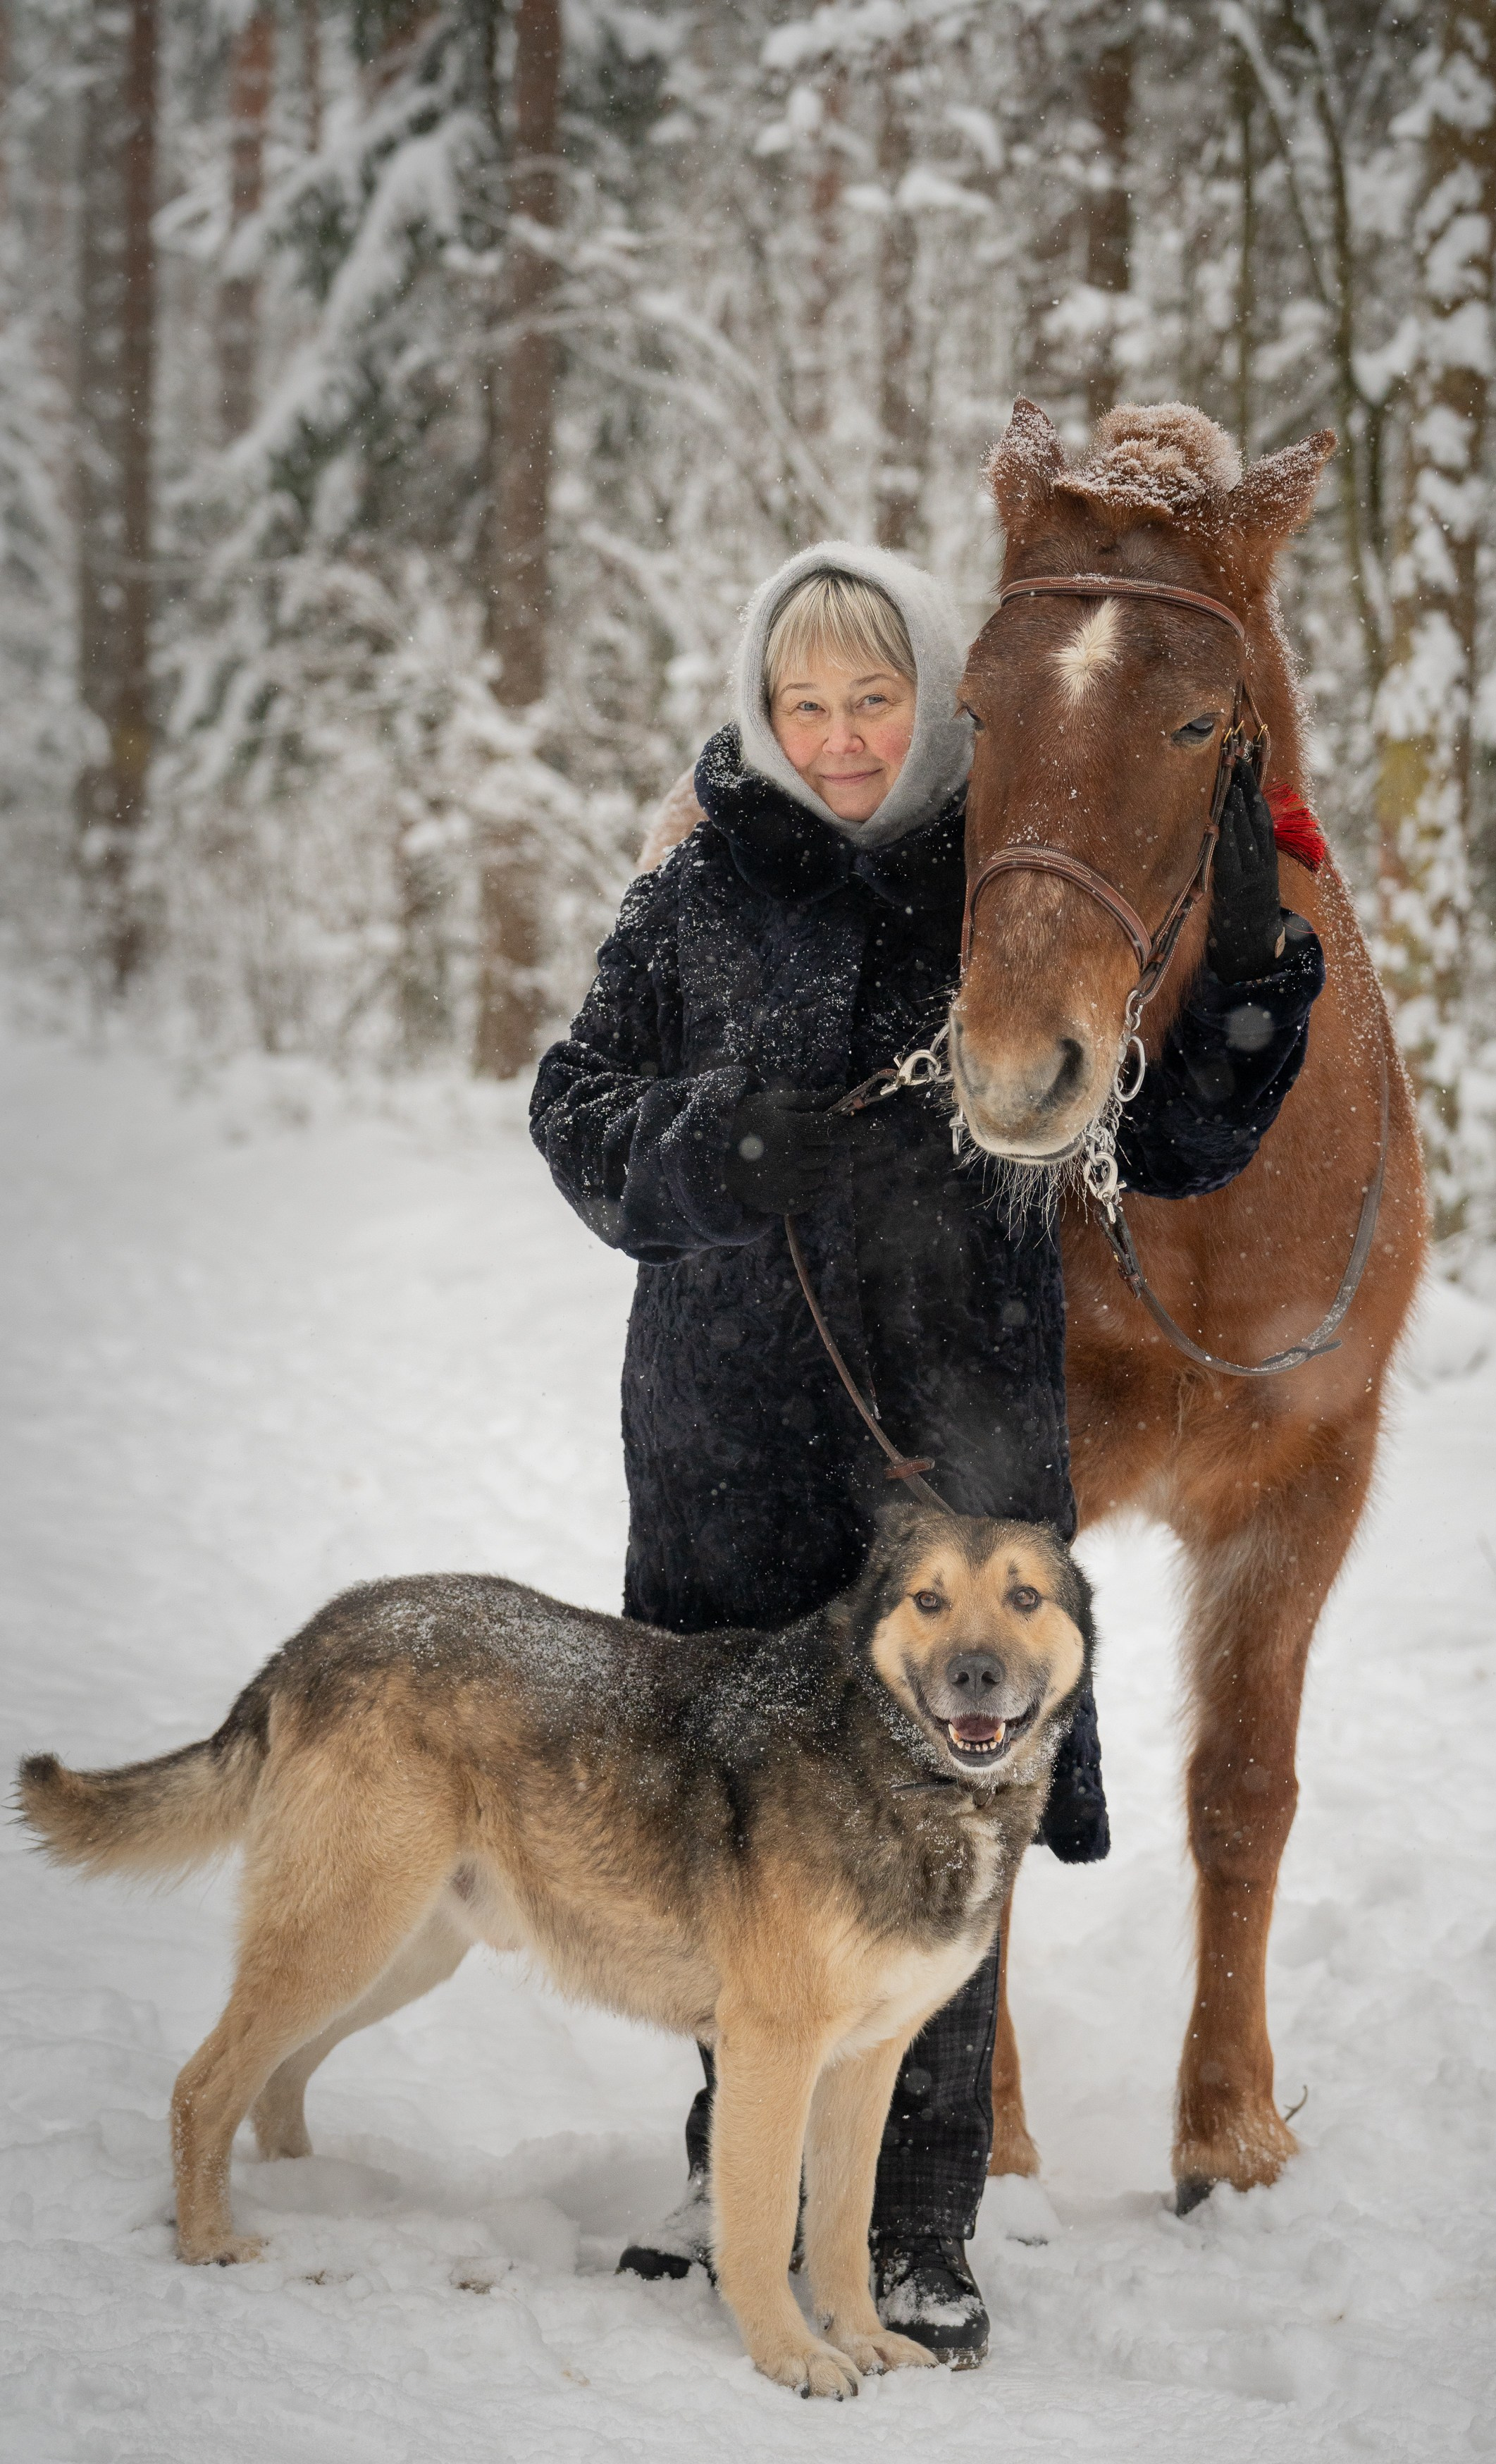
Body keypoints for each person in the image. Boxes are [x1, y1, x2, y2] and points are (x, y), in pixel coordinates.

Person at [530, 542, 1325, 2366]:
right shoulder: (694, 895)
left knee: (952, 1814)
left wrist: (1257, 977)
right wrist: (712, 1151)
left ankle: (914, 2226)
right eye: (804, 703)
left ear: (935, 698)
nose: (840, 736)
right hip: (724, 1424)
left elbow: (1181, 1134)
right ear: (760, 708)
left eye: (874, 699)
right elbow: (572, 1112)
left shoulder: (998, 876)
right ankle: (732, 2170)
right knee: (736, 1812)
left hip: (949, 1433)